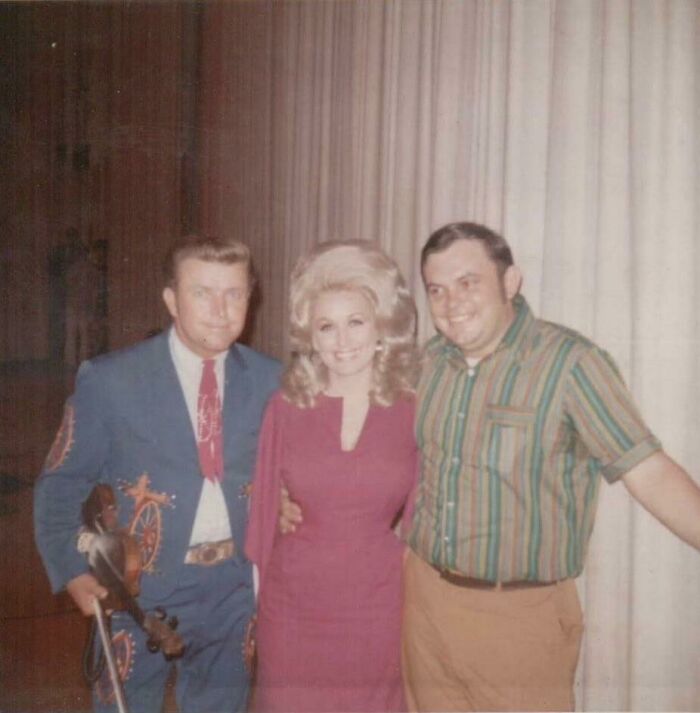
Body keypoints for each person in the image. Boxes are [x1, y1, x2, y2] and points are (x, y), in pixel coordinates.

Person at [399, 222, 700, 711]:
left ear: (510, 281)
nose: (452, 303)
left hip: (519, 619)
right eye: (438, 289)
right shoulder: (427, 363)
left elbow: (650, 472)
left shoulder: (570, 364)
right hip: (425, 604)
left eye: (468, 282)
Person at [34, 235, 280, 713]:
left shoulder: (273, 381)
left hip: (232, 592)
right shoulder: (112, 381)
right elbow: (61, 482)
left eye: (234, 293)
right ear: (171, 299)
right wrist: (70, 571)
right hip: (135, 588)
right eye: (202, 292)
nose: (220, 309)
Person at [245, 241, 419, 713]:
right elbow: (262, 519)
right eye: (327, 326)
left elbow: (424, 521)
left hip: (379, 606)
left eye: (355, 322)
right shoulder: (285, 407)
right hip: (292, 606)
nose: (342, 342)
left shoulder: (412, 410)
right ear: (310, 336)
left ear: (382, 325)